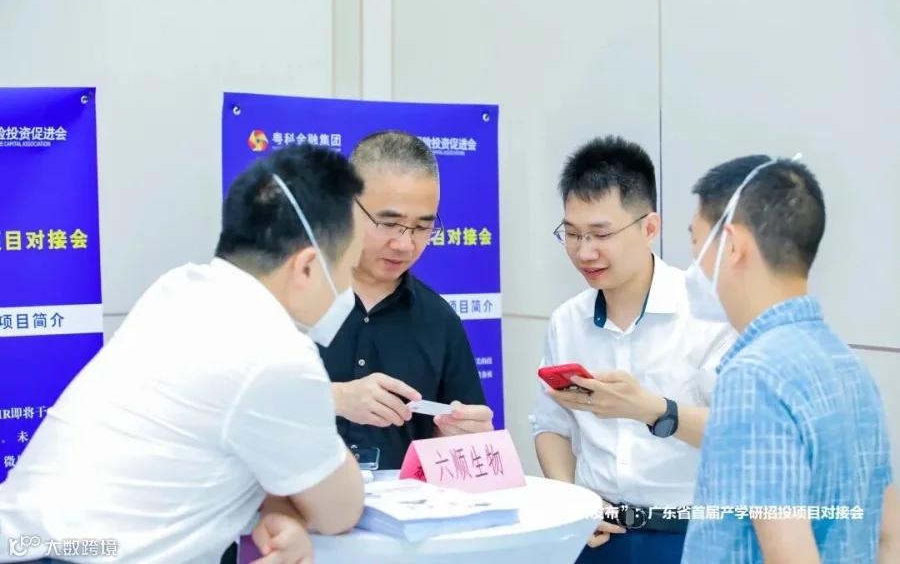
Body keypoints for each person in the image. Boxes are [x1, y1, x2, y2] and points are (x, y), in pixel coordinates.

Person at [0, 144, 367, 563]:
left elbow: (229, 440)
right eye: (350, 269)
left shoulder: (178, 290)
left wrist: (282, 508)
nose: (348, 287)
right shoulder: (274, 352)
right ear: (306, 267)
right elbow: (338, 511)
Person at [680, 155, 897, 563]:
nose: (694, 263)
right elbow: (889, 536)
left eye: (697, 242)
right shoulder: (850, 366)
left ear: (733, 246)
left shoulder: (754, 377)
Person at [531, 136, 736, 564]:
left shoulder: (708, 314)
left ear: (649, 228)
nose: (584, 252)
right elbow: (550, 425)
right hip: (597, 537)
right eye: (572, 234)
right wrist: (572, 501)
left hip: (687, 536)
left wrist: (651, 409)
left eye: (601, 234)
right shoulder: (567, 320)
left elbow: (738, 433)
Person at [320, 130, 493, 471]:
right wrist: (334, 398)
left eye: (422, 227)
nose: (405, 244)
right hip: (291, 502)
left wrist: (466, 438)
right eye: (389, 223)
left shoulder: (439, 320)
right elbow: (229, 404)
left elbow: (459, 456)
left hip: (408, 502)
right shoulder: (289, 299)